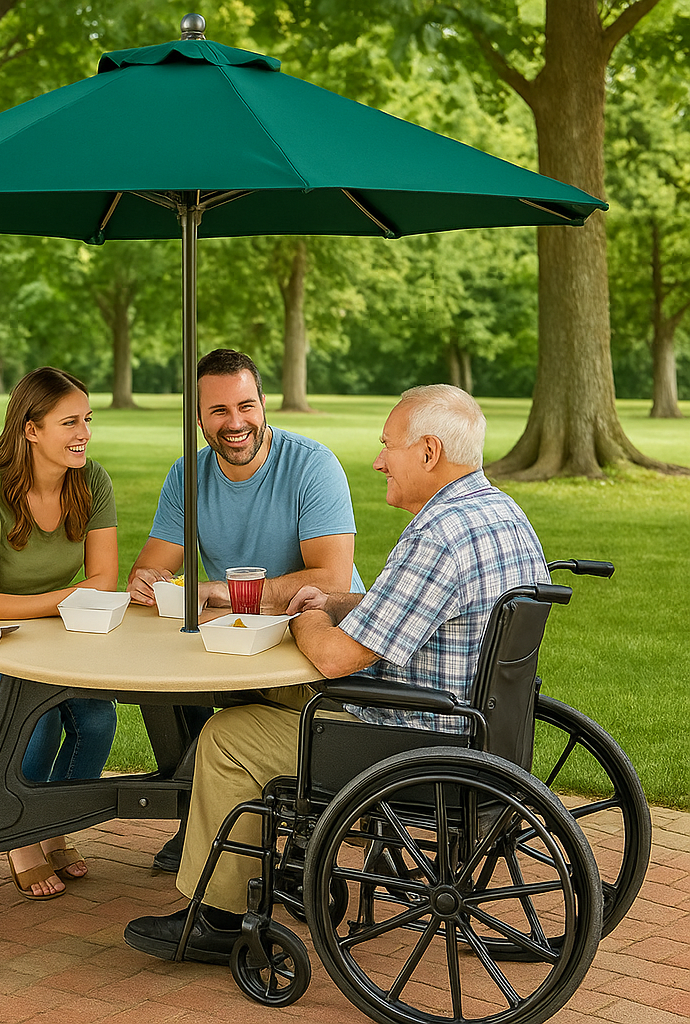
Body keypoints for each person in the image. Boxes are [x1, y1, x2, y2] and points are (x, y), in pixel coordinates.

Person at [124, 384, 550, 965]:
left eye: (387, 446)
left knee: (227, 738)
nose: (378, 461)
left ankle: (221, 917)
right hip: (480, 724)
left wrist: (306, 613)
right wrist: (334, 605)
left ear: (428, 452)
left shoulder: (437, 535)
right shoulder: (499, 513)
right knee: (255, 689)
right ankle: (289, 864)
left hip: (409, 740)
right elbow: (406, 612)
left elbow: (334, 660)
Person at [127, 348, 365, 871]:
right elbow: (152, 567)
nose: (235, 423)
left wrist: (215, 591)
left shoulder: (311, 465)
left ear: (263, 404)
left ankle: (296, 821)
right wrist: (148, 581)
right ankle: (202, 816)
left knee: (229, 721)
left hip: (312, 645)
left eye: (246, 406)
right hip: (234, 642)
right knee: (163, 683)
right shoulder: (187, 474)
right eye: (218, 411)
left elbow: (331, 580)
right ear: (198, 417)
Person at [0, 367, 119, 900]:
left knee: (98, 718)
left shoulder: (92, 481)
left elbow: (104, 579)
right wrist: (63, 600)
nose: (83, 433)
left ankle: (52, 824)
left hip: (48, 649)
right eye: (69, 422)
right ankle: (17, 836)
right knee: (37, 722)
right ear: (31, 430)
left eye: (87, 420)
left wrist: (56, 606)